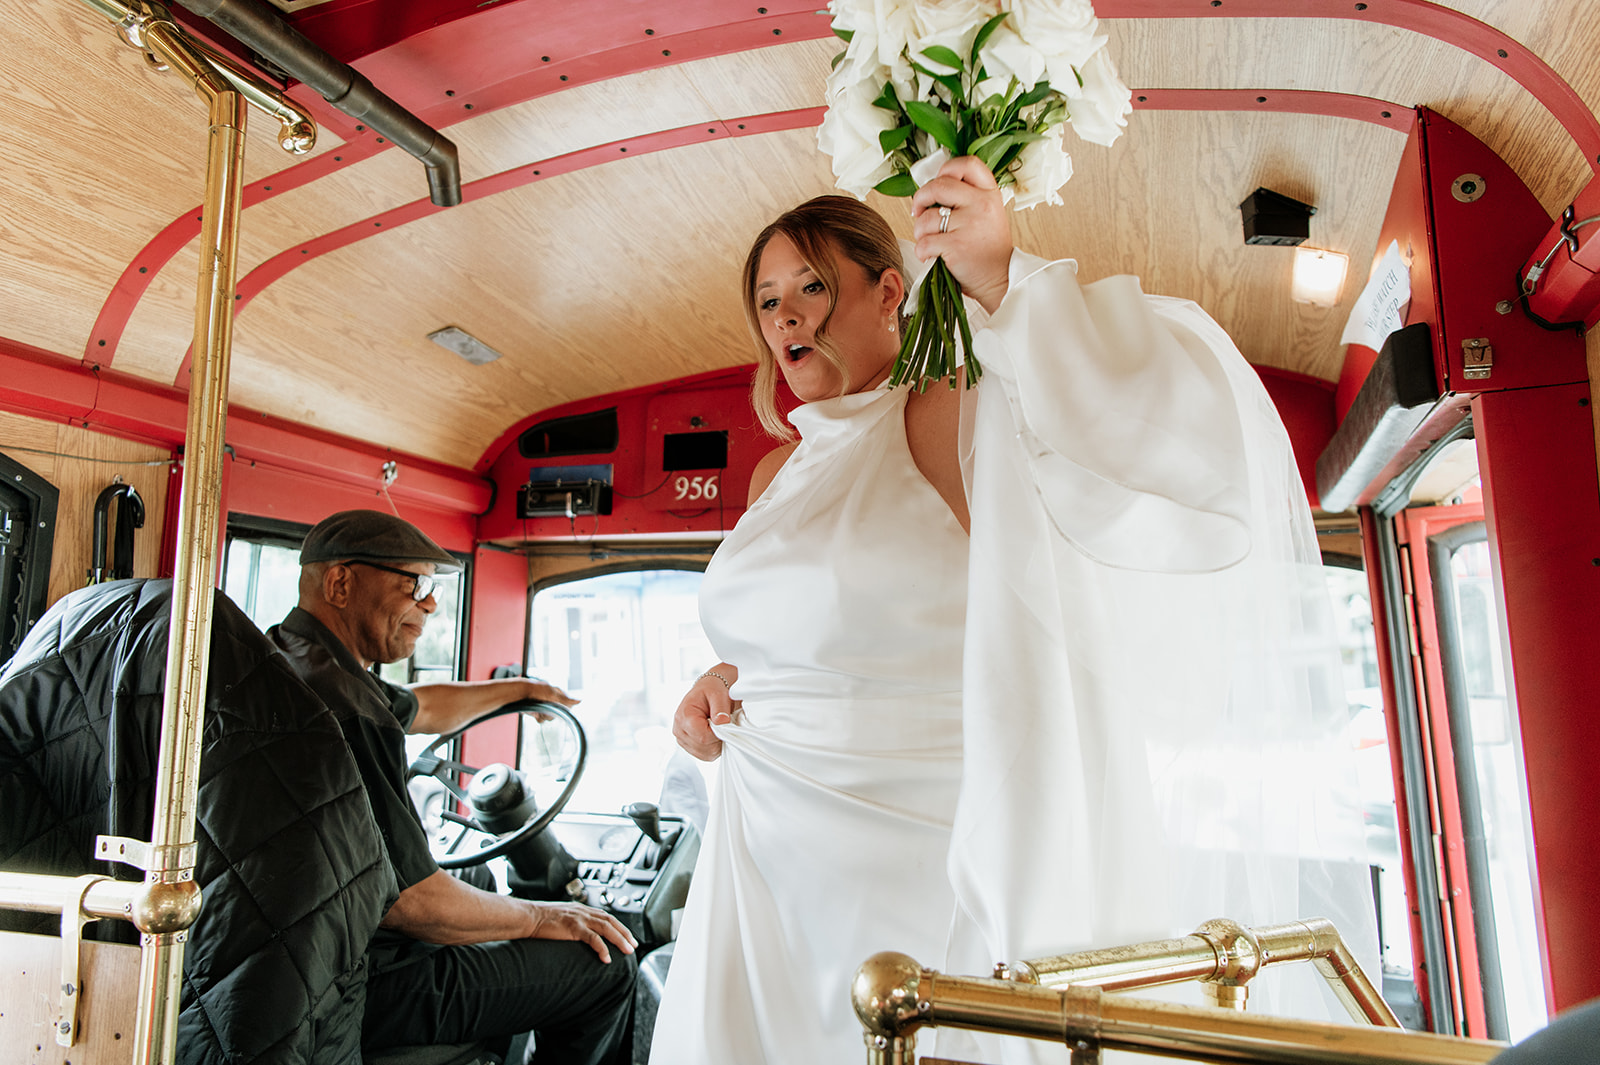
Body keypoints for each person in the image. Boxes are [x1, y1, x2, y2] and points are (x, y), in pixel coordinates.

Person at [651, 158, 1376, 1064]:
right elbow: (804, 627)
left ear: (888, 294)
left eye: (810, 286)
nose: (786, 315)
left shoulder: (945, 414)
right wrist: (722, 679)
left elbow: (1101, 440)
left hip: (910, 836)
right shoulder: (771, 473)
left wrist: (994, 274)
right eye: (767, 301)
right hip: (763, 842)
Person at [267, 509, 638, 1064]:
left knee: (474, 872)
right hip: (359, 985)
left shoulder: (297, 661)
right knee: (605, 961)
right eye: (414, 584)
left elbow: (426, 707)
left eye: (434, 587)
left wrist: (520, 689)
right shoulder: (347, 712)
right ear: (341, 582)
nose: (432, 604)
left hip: (300, 959)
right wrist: (544, 916)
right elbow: (414, 905)